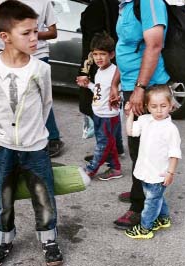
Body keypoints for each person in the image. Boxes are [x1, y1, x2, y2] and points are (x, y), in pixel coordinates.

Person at [0, 1, 63, 265]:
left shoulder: (41, 68)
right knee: (4, 196)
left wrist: (36, 133)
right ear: (5, 37)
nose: (35, 37)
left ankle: (49, 239)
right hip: (3, 145)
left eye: (36, 31)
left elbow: (46, 103)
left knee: (43, 195)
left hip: (35, 146)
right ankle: (3, 239)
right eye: (26, 33)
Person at [109, 0, 170, 229]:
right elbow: (125, 45)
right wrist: (115, 83)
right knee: (136, 144)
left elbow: (154, 46)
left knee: (146, 150)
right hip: (132, 83)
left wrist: (140, 88)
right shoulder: (126, 4)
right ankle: (141, 189)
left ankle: (139, 206)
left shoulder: (149, 2)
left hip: (148, 86)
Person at [0, 0, 65, 157]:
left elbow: (53, 32)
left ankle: (53, 138)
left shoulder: (44, 1)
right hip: (13, 57)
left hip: (38, 55)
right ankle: (18, 139)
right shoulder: (5, 2)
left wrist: (27, 34)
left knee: (40, 98)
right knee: (15, 99)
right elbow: (1, 32)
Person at [124, 85, 181, 239]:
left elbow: (174, 153)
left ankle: (145, 228)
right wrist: (129, 114)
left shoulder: (171, 129)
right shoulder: (144, 120)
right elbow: (131, 131)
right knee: (156, 197)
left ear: (171, 105)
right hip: (145, 170)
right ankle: (163, 219)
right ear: (147, 106)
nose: (159, 110)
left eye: (163, 106)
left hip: (160, 173)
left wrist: (170, 172)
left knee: (151, 202)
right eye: (154, 106)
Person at [75, 0, 124, 162]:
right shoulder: (114, 4)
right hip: (114, 62)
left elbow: (91, 47)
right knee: (113, 109)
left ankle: (105, 151)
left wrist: (84, 71)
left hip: (100, 66)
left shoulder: (96, 8)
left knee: (100, 110)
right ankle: (116, 147)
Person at [83, 32, 123, 181]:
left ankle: (90, 170)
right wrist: (89, 85)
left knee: (102, 144)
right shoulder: (99, 71)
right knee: (109, 142)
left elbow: (119, 90)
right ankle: (115, 168)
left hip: (108, 116)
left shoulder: (115, 72)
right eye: (95, 54)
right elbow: (99, 90)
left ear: (111, 55)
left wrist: (118, 96)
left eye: (102, 54)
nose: (98, 58)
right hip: (99, 113)